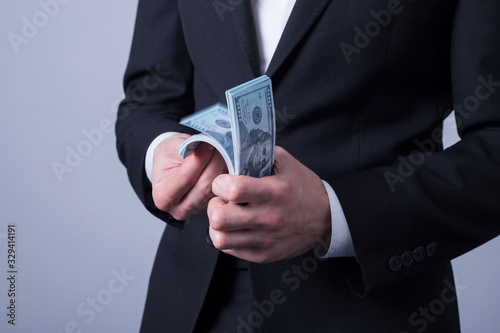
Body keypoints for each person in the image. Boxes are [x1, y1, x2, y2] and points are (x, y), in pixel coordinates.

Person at [116, 0, 500, 332]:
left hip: (373, 311)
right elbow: (149, 99)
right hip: (193, 305)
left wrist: (331, 213)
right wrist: (161, 149)